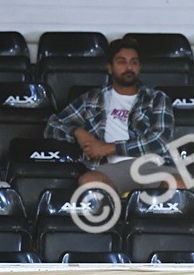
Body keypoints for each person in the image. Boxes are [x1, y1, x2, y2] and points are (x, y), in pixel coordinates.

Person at [45, 36, 176, 193]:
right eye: (121, 62)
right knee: (89, 181)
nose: (129, 67)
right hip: (112, 169)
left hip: (152, 166)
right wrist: (77, 132)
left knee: (180, 184)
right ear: (109, 67)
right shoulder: (92, 99)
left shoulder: (156, 98)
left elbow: (159, 141)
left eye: (134, 62)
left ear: (139, 67)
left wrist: (108, 148)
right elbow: (52, 127)